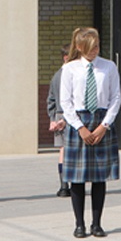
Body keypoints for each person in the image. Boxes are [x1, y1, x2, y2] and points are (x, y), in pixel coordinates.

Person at [58, 27, 121, 239]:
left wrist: (105, 125)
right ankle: (79, 224)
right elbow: (65, 102)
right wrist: (80, 128)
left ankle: (96, 223)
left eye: (97, 46)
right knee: (77, 177)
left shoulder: (109, 66)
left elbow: (116, 98)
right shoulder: (70, 69)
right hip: (79, 121)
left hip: (102, 120)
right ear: (79, 47)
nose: (95, 50)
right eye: (90, 47)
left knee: (99, 177)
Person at [46, 46, 71, 197]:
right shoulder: (71, 74)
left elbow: (51, 99)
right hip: (70, 114)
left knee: (62, 149)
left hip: (58, 114)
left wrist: (52, 118)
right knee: (72, 150)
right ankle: (73, 181)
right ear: (66, 57)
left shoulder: (56, 76)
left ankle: (63, 185)